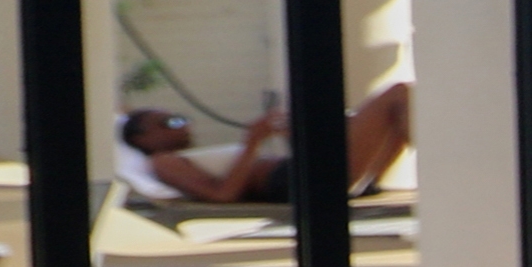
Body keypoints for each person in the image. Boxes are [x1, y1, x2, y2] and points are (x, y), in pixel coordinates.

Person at [115, 82, 412, 208]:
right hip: (301, 181)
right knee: (398, 95)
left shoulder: (189, 156)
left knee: (398, 107)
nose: (183, 125)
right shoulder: (163, 162)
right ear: (143, 139)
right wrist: (253, 141)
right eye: (169, 123)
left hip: (304, 174)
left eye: (181, 119)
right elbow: (223, 195)